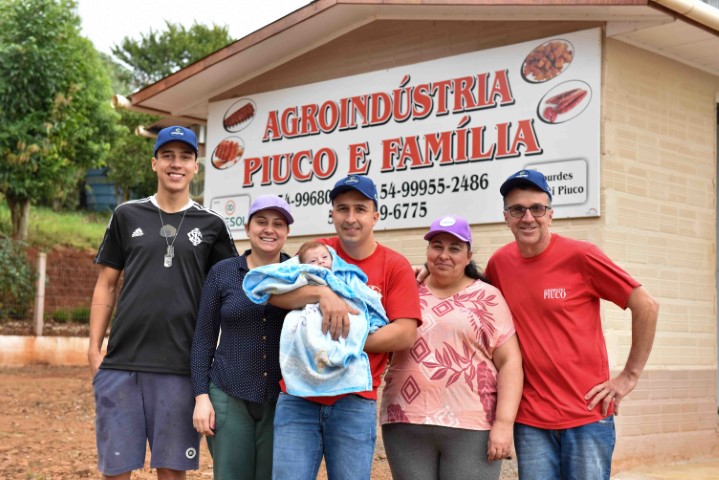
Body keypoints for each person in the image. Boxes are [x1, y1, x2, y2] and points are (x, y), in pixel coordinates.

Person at [484, 169, 659, 480]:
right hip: (531, 419)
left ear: (550, 215)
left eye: (537, 208)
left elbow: (646, 305)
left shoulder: (582, 256)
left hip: (586, 415)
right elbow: (471, 291)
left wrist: (629, 376)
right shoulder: (500, 263)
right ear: (506, 217)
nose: (527, 217)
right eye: (517, 209)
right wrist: (429, 272)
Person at [88, 125, 238, 480]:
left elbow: (232, 289)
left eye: (185, 156)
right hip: (123, 363)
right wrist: (94, 348)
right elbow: (106, 283)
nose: (176, 164)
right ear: (154, 163)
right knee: (116, 470)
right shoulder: (127, 215)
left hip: (181, 366)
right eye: (168, 155)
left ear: (195, 167)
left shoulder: (212, 224)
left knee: (172, 472)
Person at [267, 174, 422, 480]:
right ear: (332, 214)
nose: (351, 218)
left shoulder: (394, 264)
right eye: (343, 209)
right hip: (299, 396)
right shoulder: (317, 253)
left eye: (360, 209)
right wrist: (322, 294)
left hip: (355, 399)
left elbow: (405, 333)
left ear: (375, 215)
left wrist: (340, 340)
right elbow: (274, 293)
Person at [380, 214, 523, 480]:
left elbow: (510, 362)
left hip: (471, 425)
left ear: (468, 256)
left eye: (454, 248)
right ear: (428, 251)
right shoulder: (406, 289)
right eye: (437, 246)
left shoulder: (488, 297)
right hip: (405, 421)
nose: (444, 255)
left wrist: (504, 424)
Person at [190, 195, 294, 480]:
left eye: (278, 224)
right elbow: (203, 339)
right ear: (248, 228)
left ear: (287, 232)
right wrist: (201, 396)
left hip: (283, 398)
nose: (269, 229)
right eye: (261, 222)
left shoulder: (297, 273)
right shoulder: (223, 273)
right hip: (228, 393)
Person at [243, 241, 389, 398]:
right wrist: (321, 292)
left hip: (346, 318)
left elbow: (363, 293)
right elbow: (277, 285)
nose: (320, 261)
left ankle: (340, 353)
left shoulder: (344, 275)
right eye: (313, 261)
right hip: (311, 316)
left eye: (325, 257)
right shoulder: (304, 274)